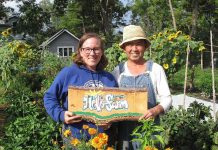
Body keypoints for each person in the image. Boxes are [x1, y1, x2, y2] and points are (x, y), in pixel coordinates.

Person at [43, 33, 118, 145]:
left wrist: (111, 122)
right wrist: (61, 115)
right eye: (87, 49)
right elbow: (49, 97)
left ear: (102, 52)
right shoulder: (68, 73)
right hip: (76, 139)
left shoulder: (109, 78)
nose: (92, 53)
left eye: (96, 49)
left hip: (103, 140)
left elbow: (117, 107)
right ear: (81, 51)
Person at [112, 25, 172, 150]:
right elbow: (112, 100)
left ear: (145, 46)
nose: (134, 49)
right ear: (124, 48)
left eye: (138, 44)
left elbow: (167, 99)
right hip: (124, 132)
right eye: (129, 44)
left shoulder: (155, 69)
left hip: (149, 129)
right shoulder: (118, 71)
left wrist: (154, 111)